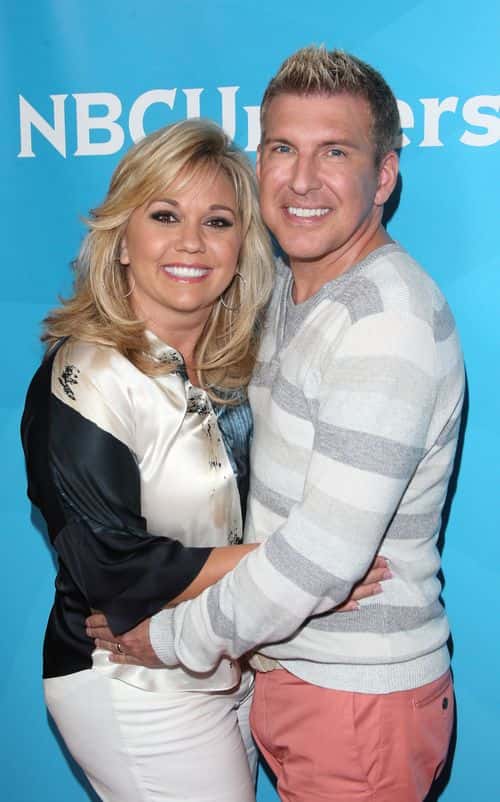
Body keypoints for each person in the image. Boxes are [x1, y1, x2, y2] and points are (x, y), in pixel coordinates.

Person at [88, 47, 465, 802]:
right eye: (283, 149)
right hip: (301, 680)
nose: (301, 180)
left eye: (335, 153)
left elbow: (322, 561)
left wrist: (166, 640)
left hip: (354, 704)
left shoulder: (381, 321)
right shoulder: (295, 296)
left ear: (383, 176)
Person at [21, 117, 385, 802]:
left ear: (242, 247)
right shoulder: (85, 374)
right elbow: (109, 567)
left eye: (217, 222)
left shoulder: (240, 368)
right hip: (127, 677)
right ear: (122, 240)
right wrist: (310, 559)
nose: (191, 242)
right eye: (164, 215)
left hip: (226, 663)